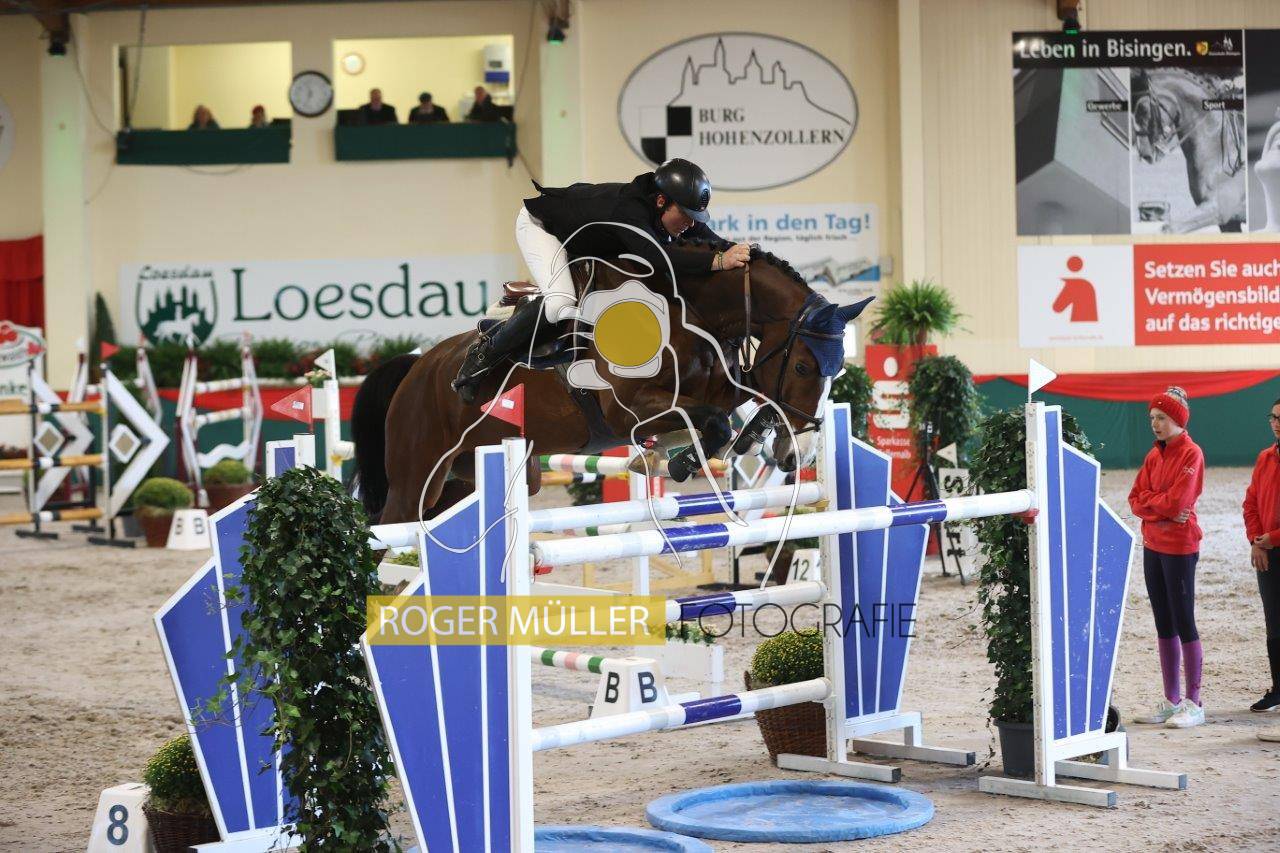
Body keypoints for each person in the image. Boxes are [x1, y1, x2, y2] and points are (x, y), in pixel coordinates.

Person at [452, 158, 751, 401]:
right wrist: (718, 261)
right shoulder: (629, 212)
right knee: (560, 302)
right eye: (685, 215)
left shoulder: (670, 208)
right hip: (543, 227)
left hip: (584, 239)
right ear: (661, 201)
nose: (690, 224)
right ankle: (484, 354)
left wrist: (745, 253)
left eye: (694, 217)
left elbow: (709, 239)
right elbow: (658, 258)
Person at [1128, 386, 1206, 729]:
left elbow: (1179, 502)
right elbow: (1135, 499)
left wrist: (1154, 504)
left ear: (1178, 419)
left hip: (1180, 547)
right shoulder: (1152, 456)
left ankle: (1194, 703)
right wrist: (1159, 508)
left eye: (1161, 417)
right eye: (1152, 418)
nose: (1155, 424)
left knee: (1184, 620)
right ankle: (1172, 700)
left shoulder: (1192, 454)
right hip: (1153, 544)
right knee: (1163, 621)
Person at [1244, 397, 1280, 716]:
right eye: (1273, 417)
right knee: (1274, 623)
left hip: (1273, 544)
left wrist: (1272, 538)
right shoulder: (1264, 458)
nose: (1276, 423)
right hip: (1267, 553)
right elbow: (1251, 503)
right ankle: (1278, 688)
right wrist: (1257, 541)